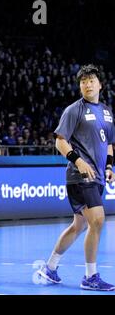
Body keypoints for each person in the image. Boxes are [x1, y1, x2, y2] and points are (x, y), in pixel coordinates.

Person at [37, 65, 115, 291]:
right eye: (83, 81)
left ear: (100, 84)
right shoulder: (74, 110)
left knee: (79, 224)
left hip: (98, 177)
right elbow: (60, 141)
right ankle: (90, 276)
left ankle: (50, 267)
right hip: (80, 176)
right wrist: (78, 161)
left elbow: (108, 143)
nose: (87, 84)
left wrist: (109, 167)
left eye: (91, 80)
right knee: (97, 220)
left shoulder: (107, 112)